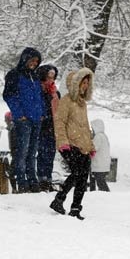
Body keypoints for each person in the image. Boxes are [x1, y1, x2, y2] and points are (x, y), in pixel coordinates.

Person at [49, 68, 95, 220]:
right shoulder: (66, 101)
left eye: (88, 83)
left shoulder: (82, 104)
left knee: (83, 177)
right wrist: (63, 143)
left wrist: (91, 146)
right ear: (76, 84)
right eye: (83, 82)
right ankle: (59, 199)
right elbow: (59, 122)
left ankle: (75, 208)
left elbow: (85, 126)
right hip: (70, 144)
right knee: (76, 173)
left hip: (83, 146)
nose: (85, 86)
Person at [2, 47, 44, 193]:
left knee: (32, 152)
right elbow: (9, 95)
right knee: (22, 152)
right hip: (23, 120)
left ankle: (33, 180)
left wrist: (42, 112)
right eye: (32, 60)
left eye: (37, 61)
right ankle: (21, 181)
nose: (34, 63)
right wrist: (19, 114)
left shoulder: (35, 76)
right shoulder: (14, 74)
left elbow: (39, 97)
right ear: (25, 58)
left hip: (36, 119)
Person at [36, 64, 60, 192]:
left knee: (50, 154)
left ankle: (48, 179)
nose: (51, 79)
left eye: (53, 76)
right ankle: (41, 180)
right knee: (42, 153)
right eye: (48, 76)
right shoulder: (38, 90)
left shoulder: (56, 93)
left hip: (53, 128)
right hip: (41, 127)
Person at [89, 119, 111, 192]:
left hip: (99, 165)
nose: (91, 130)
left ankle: (107, 195)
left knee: (101, 183)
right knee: (100, 181)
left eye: (92, 128)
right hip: (103, 165)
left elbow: (93, 148)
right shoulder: (104, 136)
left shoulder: (98, 137)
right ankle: (96, 193)